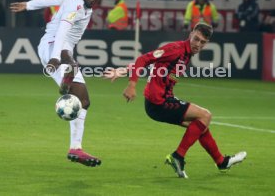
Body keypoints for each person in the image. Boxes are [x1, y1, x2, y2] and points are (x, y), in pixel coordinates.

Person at [104, 22, 246, 178]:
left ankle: (221, 162)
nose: (198, 44)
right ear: (191, 34)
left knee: (200, 126)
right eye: (196, 39)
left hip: (161, 102)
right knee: (205, 115)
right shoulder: (175, 49)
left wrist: (124, 70)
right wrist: (132, 85)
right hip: (159, 103)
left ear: (207, 44)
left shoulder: (186, 54)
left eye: (202, 42)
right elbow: (143, 59)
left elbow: (154, 65)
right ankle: (178, 156)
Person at [10, 0, 102, 167]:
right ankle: (66, 78)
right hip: (54, 47)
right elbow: (61, 31)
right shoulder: (75, 6)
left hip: (60, 48)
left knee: (84, 101)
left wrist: (29, 5)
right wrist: (55, 58)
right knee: (72, 64)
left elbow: (53, 0)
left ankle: (75, 148)